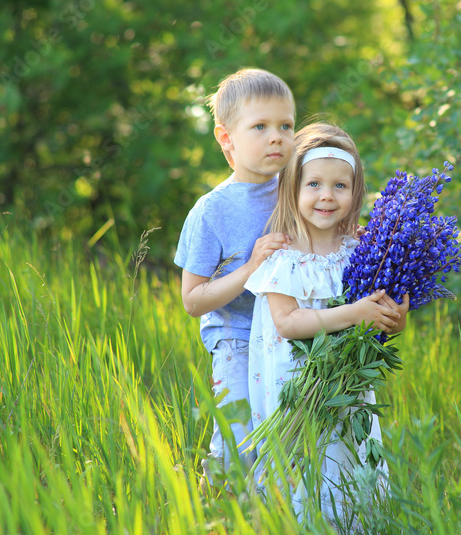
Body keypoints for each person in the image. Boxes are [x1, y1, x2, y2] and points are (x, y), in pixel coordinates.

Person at [244, 122, 409, 524]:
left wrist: (393, 316)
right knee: (299, 462)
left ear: (354, 194)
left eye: (340, 186)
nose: (326, 196)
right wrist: (355, 313)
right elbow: (288, 322)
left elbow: (383, 320)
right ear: (293, 189)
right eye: (314, 184)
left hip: (347, 388)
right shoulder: (282, 256)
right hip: (297, 387)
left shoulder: (361, 251)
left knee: (346, 458)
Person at [174, 68, 296, 486]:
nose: (276, 136)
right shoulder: (212, 211)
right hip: (238, 336)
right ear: (226, 137)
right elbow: (193, 300)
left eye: (285, 125)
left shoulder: (298, 189)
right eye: (259, 126)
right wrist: (249, 270)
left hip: (291, 333)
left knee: (287, 441)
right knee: (238, 439)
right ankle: (222, 513)